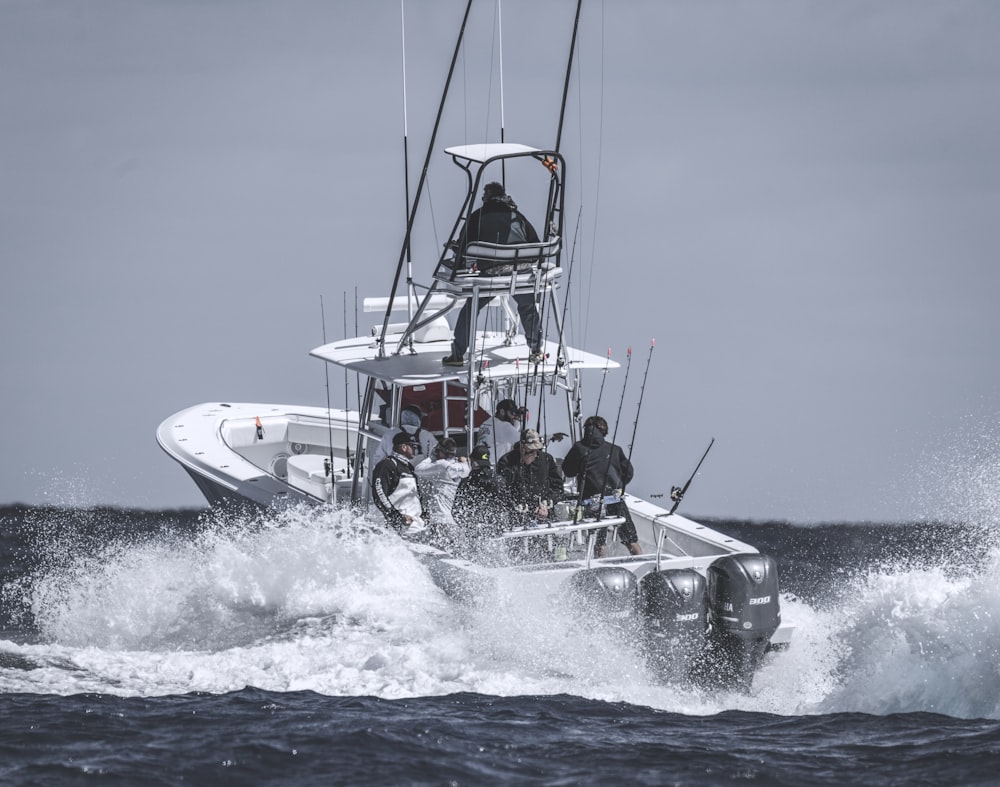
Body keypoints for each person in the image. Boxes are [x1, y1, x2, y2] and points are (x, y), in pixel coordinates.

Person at [442, 182, 544, 367]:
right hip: (519, 275)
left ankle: (457, 355)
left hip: (490, 277)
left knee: (470, 310)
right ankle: (536, 350)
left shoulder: (476, 217)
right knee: (528, 308)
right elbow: (535, 244)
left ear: (486, 197)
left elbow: (464, 248)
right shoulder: (517, 217)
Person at [561, 415, 642, 557]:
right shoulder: (615, 450)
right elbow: (629, 472)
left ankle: (602, 569)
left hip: (592, 502)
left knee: (598, 542)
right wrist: (619, 486)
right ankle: (643, 564)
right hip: (615, 499)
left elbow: (568, 471)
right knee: (631, 539)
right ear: (604, 431)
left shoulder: (579, 448)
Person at [496, 429, 564, 526]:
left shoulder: (546, 459)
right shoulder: (506, 462)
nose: (535, 454)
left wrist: (547, 503)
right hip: (517, 517)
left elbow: (558, 487)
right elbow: (502, 491)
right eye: (531, 451)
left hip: (544, 515)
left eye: (537, 450)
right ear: (522, 447)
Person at [452, 444, 511, 545]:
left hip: (474, 538)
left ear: (473, 462)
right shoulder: (499, 480)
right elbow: (507, 506)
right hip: (499, 536)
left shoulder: (467, 482)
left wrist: (468, 527)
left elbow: (456, 511)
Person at [414, 437, 470, 541]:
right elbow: (467, 466)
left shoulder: (441, 465)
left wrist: (431, 456)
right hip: (453, 522)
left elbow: (418, 470)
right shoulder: (463, 467)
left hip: (440, 520)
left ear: (441, 452)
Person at [372, 432, 426, 535]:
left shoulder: (409, 467)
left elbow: (416, 495)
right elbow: (379, 494)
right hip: (399, 529)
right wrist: (395, 516)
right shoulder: (387, 465)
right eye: (413, 446)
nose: (416, 450)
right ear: (404, 447)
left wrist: (424, 513)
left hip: (417, 526)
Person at [373, 404, 439, 466]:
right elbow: (437, 457)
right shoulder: (428, 436)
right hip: (422, 475)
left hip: (397, 475)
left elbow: (378, 460)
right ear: (419, 418)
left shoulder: (389, 435)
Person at [475, 398, 524, 465]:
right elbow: (522, 440)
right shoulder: (503, 426)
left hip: (479, 461)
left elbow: (508, 434)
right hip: (492, 465)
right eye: (512, 413)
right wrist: (519, 421)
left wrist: (517, 423)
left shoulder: (486, 423)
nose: (513, 417)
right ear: (502, 412)